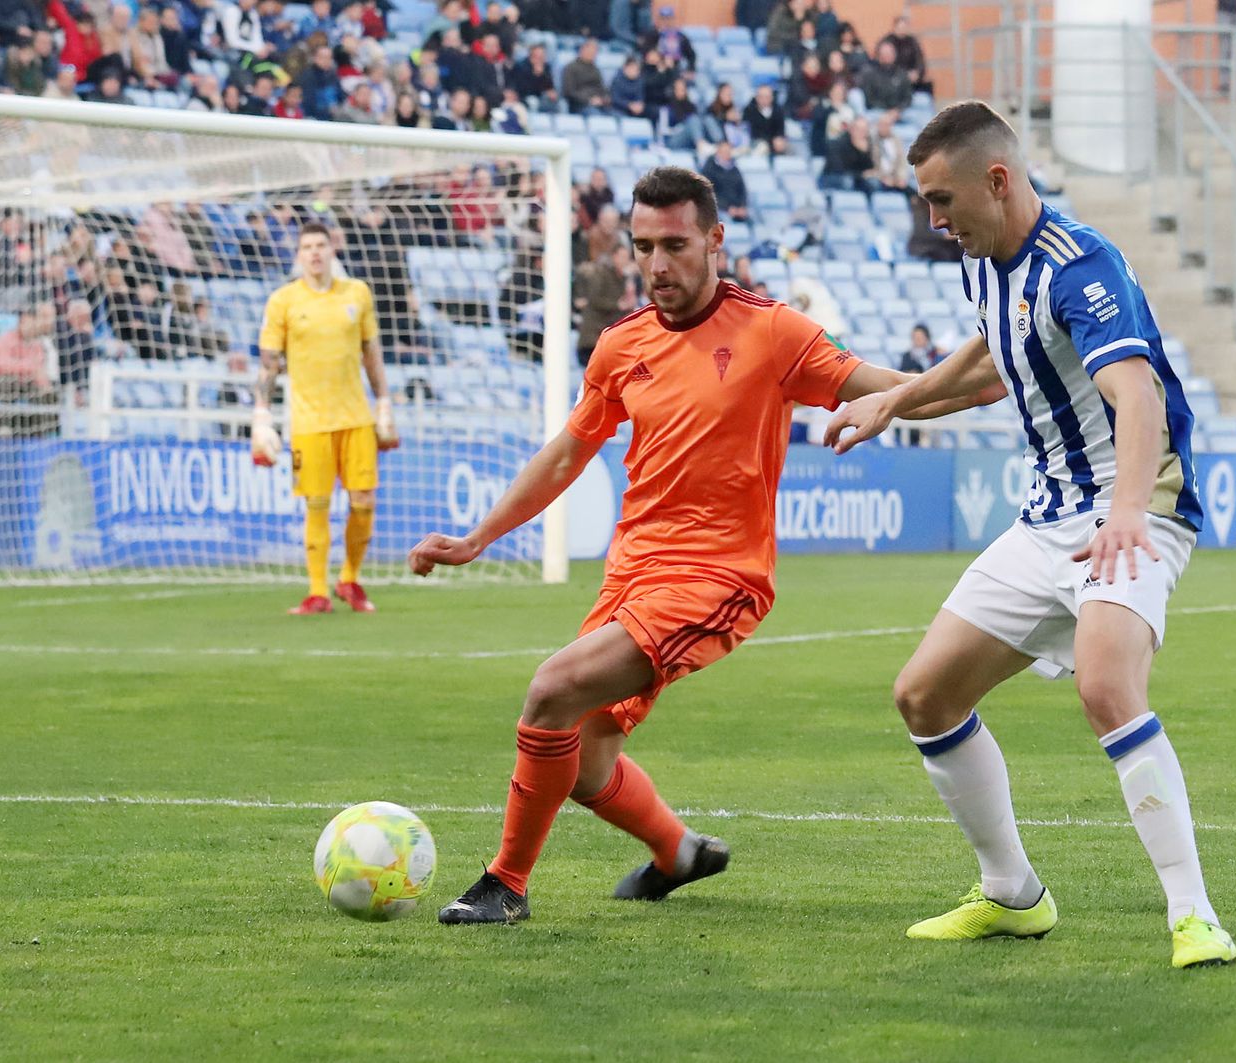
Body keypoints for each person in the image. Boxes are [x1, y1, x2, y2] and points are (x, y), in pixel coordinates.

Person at [406, 166, 1000, 926]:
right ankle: (677, 851)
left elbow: (884, 386)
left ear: (715, 240)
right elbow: (566, 452)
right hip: (632, 574)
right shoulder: (621, 344)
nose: (657, 265)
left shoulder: (772, 330)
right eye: (643, 246)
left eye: (675, 245)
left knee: (552, 689)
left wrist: (988, 376)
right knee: (584, 760)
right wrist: (478, 538)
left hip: (719, 575)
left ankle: (505, 884)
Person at [823, 101, 1236, 970]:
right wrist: (890, 402)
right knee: (925, 695)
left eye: (943, 199)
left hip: (1138, 507)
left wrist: (1125, 508)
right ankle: (1013, 895)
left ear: (998, 180)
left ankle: (1194, 915)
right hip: (1048, 516)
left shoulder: (1082, 266)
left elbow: (1137, 395)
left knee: (1106, 686)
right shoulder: (984, 265)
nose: (935, 220)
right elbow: (987, 364)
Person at [253, 222, 398, 615]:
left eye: (320, 245)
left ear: (332, 250)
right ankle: (317, 591)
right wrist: (261, 416)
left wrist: (383, 402)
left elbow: (372, 352)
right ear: (298, 254)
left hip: (356, 417)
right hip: (309, 421)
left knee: (364, 499)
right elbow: (269, 364)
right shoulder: (283, 301)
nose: (314, 252)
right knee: (316, 504)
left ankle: (349, 578)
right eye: (307, 246)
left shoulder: (357, 293)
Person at [700, 140, 750, 220]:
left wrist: (742, 206)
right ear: (718, 151)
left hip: (736, 208)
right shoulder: (709, 170)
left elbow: (742, 190)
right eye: (725, 151)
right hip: (719, 209)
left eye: (729, 151)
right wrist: (727, 208)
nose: (728, 153)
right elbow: (708, 194)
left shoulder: (735, 170)